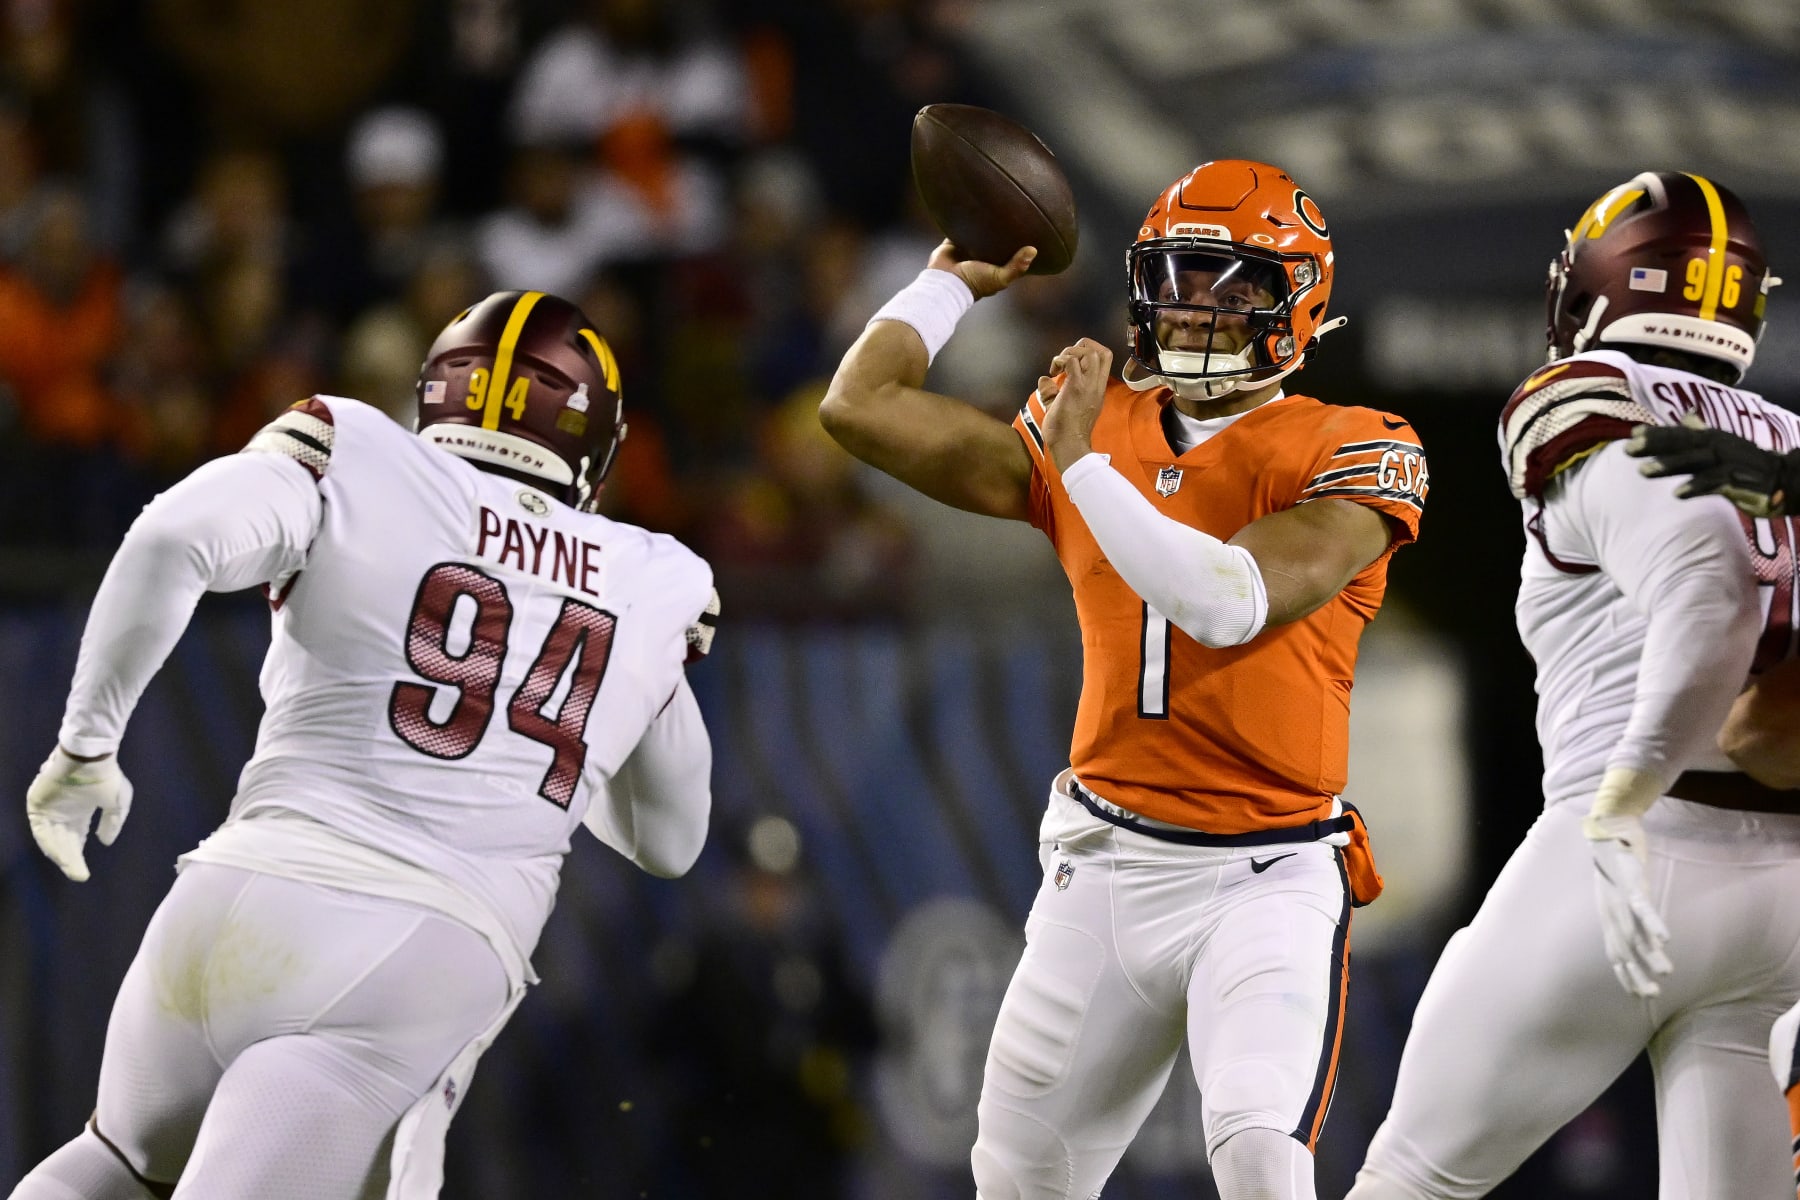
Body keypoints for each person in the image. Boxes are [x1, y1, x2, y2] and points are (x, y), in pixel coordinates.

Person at [12, 289, 720, 1200]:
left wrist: (85, 745)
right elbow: (670, 840)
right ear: (596, 439)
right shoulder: (649, 575)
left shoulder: (357, 449)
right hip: (412, 954)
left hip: (227, 896)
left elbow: (172, 534)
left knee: (107, 1169)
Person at [821, 159, 1427, 1200]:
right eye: (1181, 278)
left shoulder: (1353, 443)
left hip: (1267, 872)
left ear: (1298, 300)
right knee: (1017, 1183)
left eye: (1233, 283)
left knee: (1257, 1157)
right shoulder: (1091, 422)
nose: (1198, 307)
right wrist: (951, 283)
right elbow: (860, 407)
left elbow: (1229, 599)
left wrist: (1084, 469)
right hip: (1103, 866)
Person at [1345, 170, 1800, 1200]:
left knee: (1410, 1180)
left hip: (1634, 853)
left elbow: (1712, 593)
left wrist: (1624, 797)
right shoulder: (1787, 441)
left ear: (1602, 286)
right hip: (1786, 889)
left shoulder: (1591, 402)